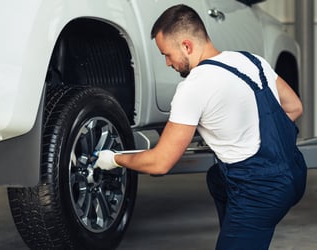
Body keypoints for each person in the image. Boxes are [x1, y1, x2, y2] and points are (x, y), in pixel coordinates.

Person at [94, 4, 307, 249]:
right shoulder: (252, 61)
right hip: (294, 173)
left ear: (186, 46)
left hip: (260, 193)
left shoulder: (193, 87)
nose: (167, 63)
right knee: (217, 178)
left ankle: (242, 231)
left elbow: (160, 163)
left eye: (167, 54)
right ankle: (239, 232)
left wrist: (114, 159)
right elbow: (294, 107)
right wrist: (246, 132)